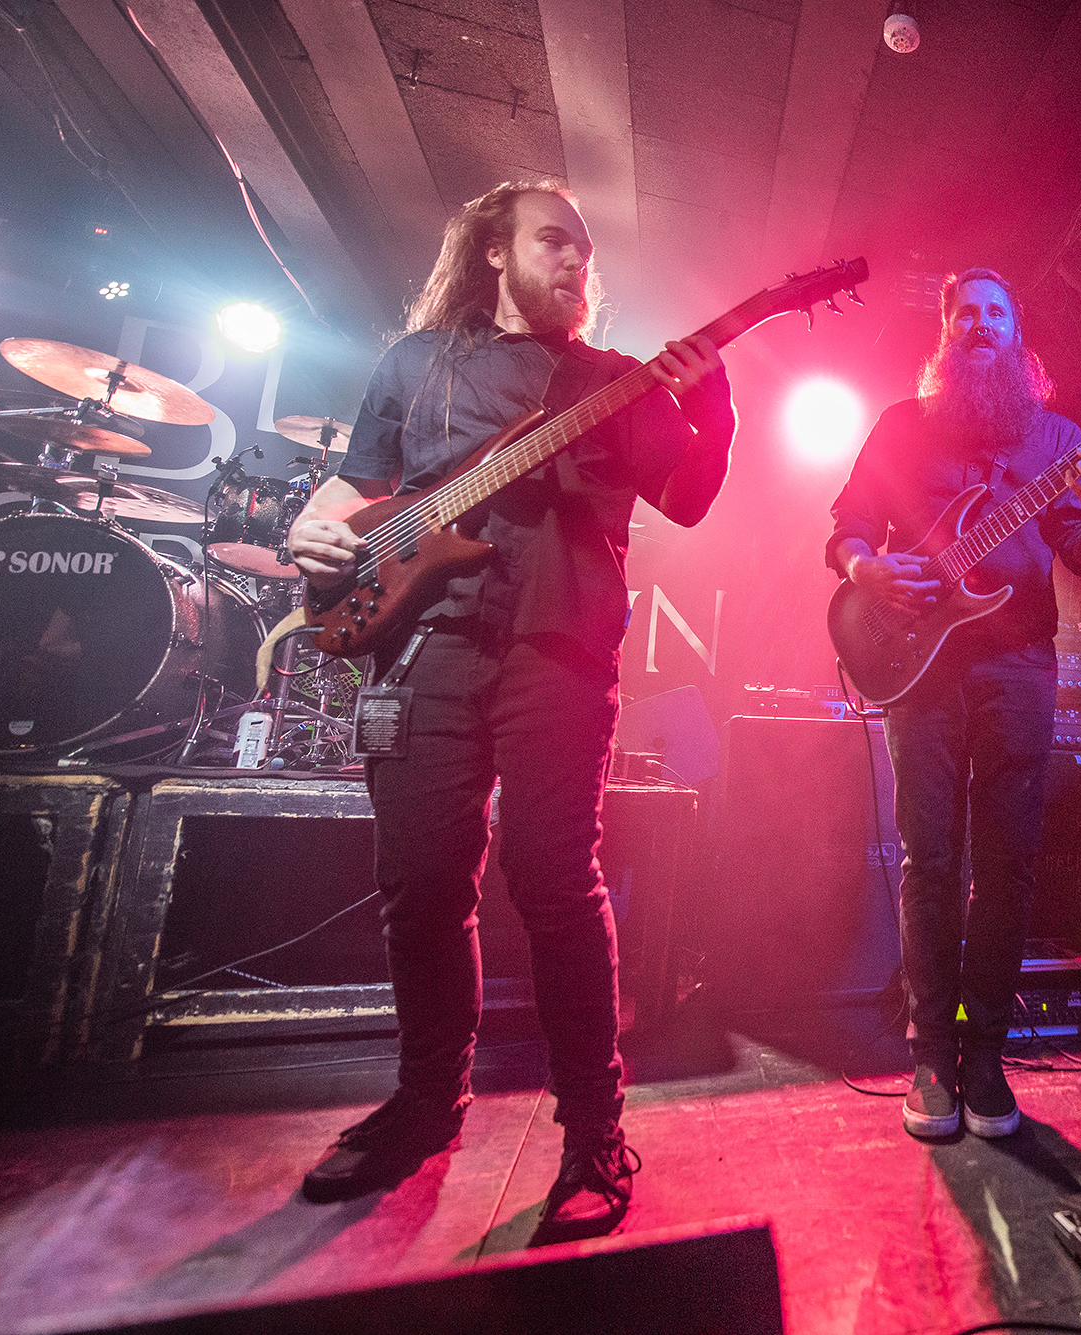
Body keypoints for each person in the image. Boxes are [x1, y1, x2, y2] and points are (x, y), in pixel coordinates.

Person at [285, 180, 735, 1238]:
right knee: (421, 884)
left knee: (556, 882)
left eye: (586, 250)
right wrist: (313, 527)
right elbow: (353, 485)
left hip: (559, 649)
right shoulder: (415, 363)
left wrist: (713, 400)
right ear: (494, 250)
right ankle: (425, 1102)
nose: (577, 261)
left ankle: (592, 1129)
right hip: (428, 643)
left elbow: (687, 498)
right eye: (554, 242)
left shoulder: (614, 382)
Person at [827, 269, 1081, 1139]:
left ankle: (985, 1054)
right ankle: (930, 1056)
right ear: (946, 332)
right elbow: (846, 523)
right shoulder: (902, 427)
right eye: (966, 313)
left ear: (1017, 334)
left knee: (1006, 865)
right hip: (918, 666)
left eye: (997, 312)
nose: (981, 323)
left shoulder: (1055, 437)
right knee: (930, 860)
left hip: (1019, 663)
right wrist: (866, 569)